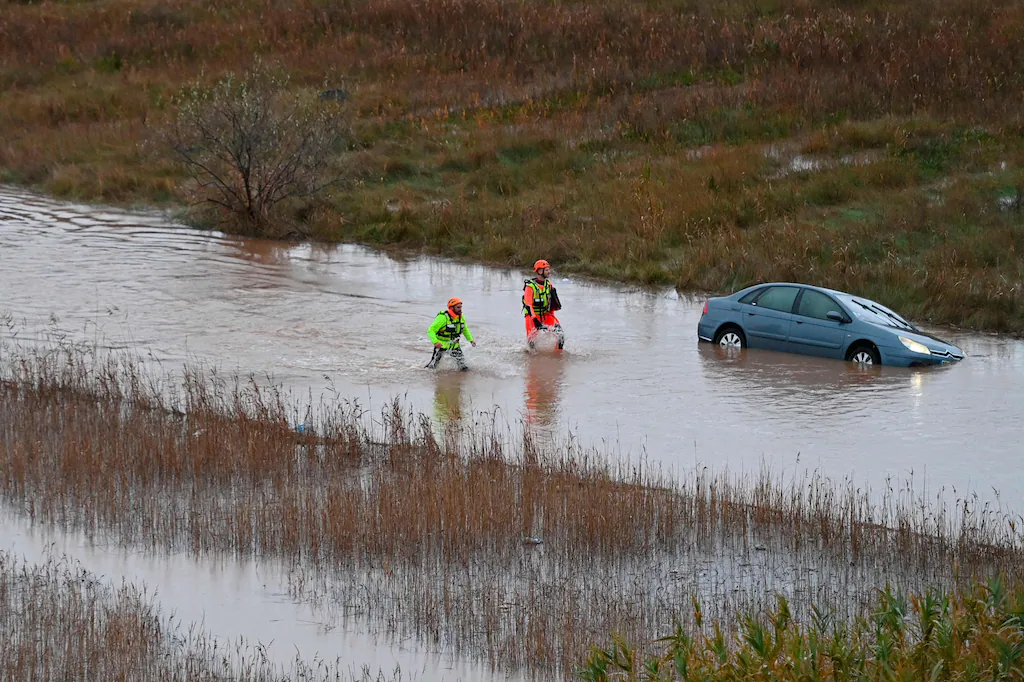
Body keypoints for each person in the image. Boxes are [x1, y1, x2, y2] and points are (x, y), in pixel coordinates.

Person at [522, 259, 564, 350]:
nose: (549, 272)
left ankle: (558, 355)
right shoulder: (530, 287)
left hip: (546, 314)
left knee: (560, 335)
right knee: (532, 342)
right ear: (540, 271)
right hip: (532, 316)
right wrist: (535, 320)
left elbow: (551, 304)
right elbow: (528, 305)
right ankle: (532, 356)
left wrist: (552, 317)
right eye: (547, 270)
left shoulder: (549, 285)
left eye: (549, 269)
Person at [426, 297, 476, 371]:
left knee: (464, 367)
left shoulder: (461, 317)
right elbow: (431, 330)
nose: (460, 309)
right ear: (451, 308)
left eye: (461, 307)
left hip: (455, 346)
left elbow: (465, 330)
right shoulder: (442, 318)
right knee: (432, 367)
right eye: (458, 307)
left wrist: (471, 340)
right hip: (441, 346)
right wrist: (435, 342)